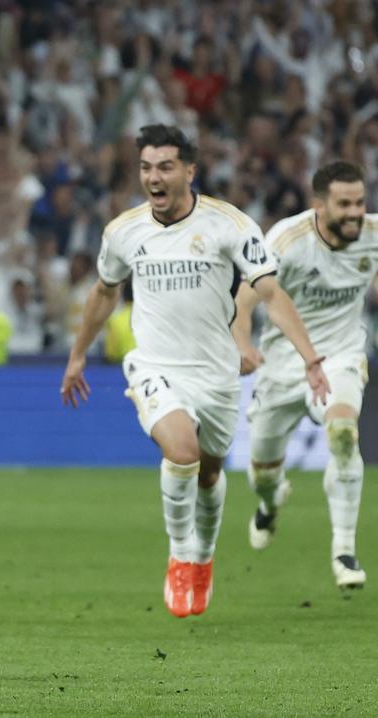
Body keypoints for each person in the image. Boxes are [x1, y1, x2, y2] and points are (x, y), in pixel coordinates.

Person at [60, 124, 329, 619]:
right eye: (145, 167)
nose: (153, 177)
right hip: (156, 364)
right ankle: (180, 552)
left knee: (208, 472)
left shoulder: (230, 225)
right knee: (180, 451)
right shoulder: (124, 232)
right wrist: (78, 353)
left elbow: (270, 293)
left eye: (164, 166)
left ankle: (202, 558)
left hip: (218, 373)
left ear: (189, 170)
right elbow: (104, 291)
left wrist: (311, 357)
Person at [233, 160, 378, 591]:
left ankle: (344, 551)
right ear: (319, 205)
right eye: (344, 204)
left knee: (342, 432)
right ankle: (270, 501)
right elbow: (243, 300)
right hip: (281, 365)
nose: (356, 212)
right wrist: (243, 344)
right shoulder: (285, 239)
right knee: (261, 471)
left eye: (360, 202)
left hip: (340, 356)